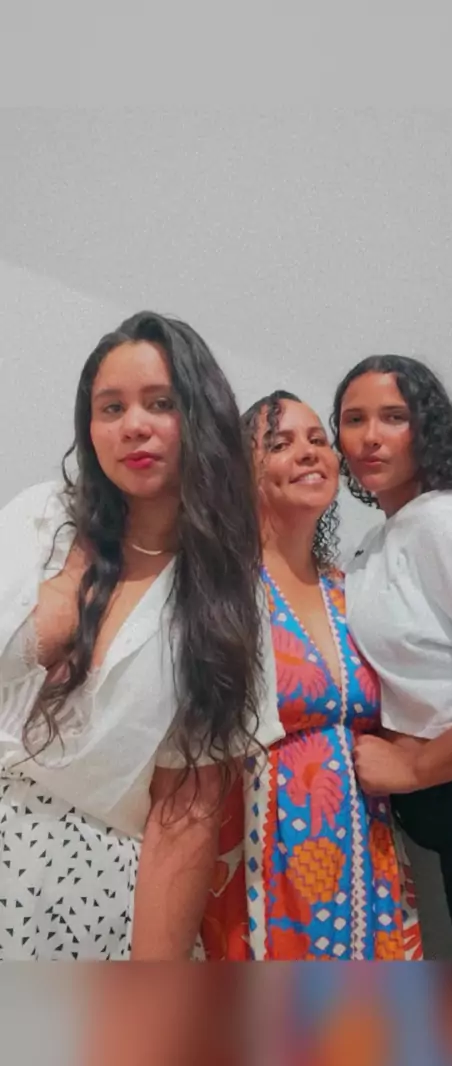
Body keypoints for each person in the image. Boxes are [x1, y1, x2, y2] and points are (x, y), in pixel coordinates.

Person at [0, 310, 283, 960]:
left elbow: (184, 818)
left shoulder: (227, 597)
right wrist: (82, 561)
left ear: (202, 418)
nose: (133, 425)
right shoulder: (40, 519)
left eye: (161, 403)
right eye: (111, 407)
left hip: (89, 891)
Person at [201, 390, 421, 960]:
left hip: (367, 856)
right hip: (263, 857)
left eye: (317, 440)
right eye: (280, 443)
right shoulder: (223, 595)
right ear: (242, 472)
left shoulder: (353, 590)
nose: (308, 452)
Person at [333, 354, 452, 959]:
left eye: (393, 417)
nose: (370, 436)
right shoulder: (376, 544)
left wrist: (415, 770)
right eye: (353, 419)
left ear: (427, 427)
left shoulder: (448, 523)